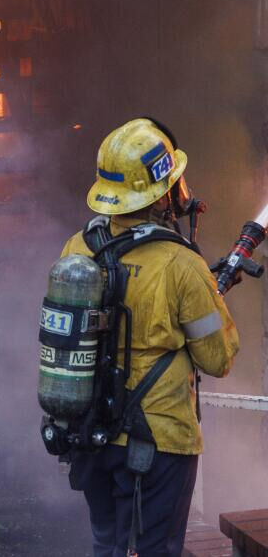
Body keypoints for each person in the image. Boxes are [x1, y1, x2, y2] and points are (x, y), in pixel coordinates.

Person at [61, 118, 238, 556]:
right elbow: (218, 358)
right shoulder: (180, 265)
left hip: (91, 434)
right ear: (161, 193)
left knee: (107, 544)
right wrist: (208, 297)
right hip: (160, 443)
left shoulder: (78, 249)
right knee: (154, 549)